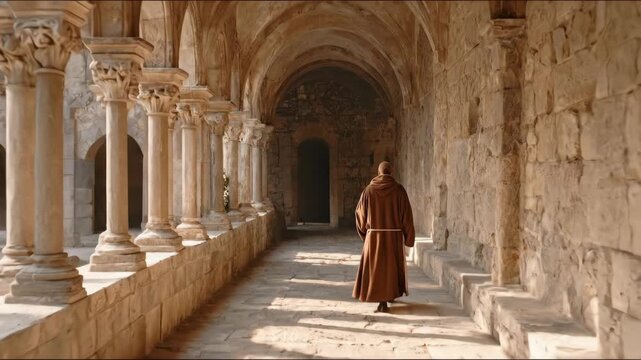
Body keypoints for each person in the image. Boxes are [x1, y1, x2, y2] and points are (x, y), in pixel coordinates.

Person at [352, 161, 415, 313]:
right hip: (393, 237)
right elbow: (407, 215)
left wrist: (365, 234)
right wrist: (409, 238)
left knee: (377, 268)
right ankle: (389, 295)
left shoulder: (368, 191)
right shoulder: (399, 190)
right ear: (390, 172)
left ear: (379, 172)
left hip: (373, 237)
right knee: (390, 267)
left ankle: (381, 300)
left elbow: (360, 214)